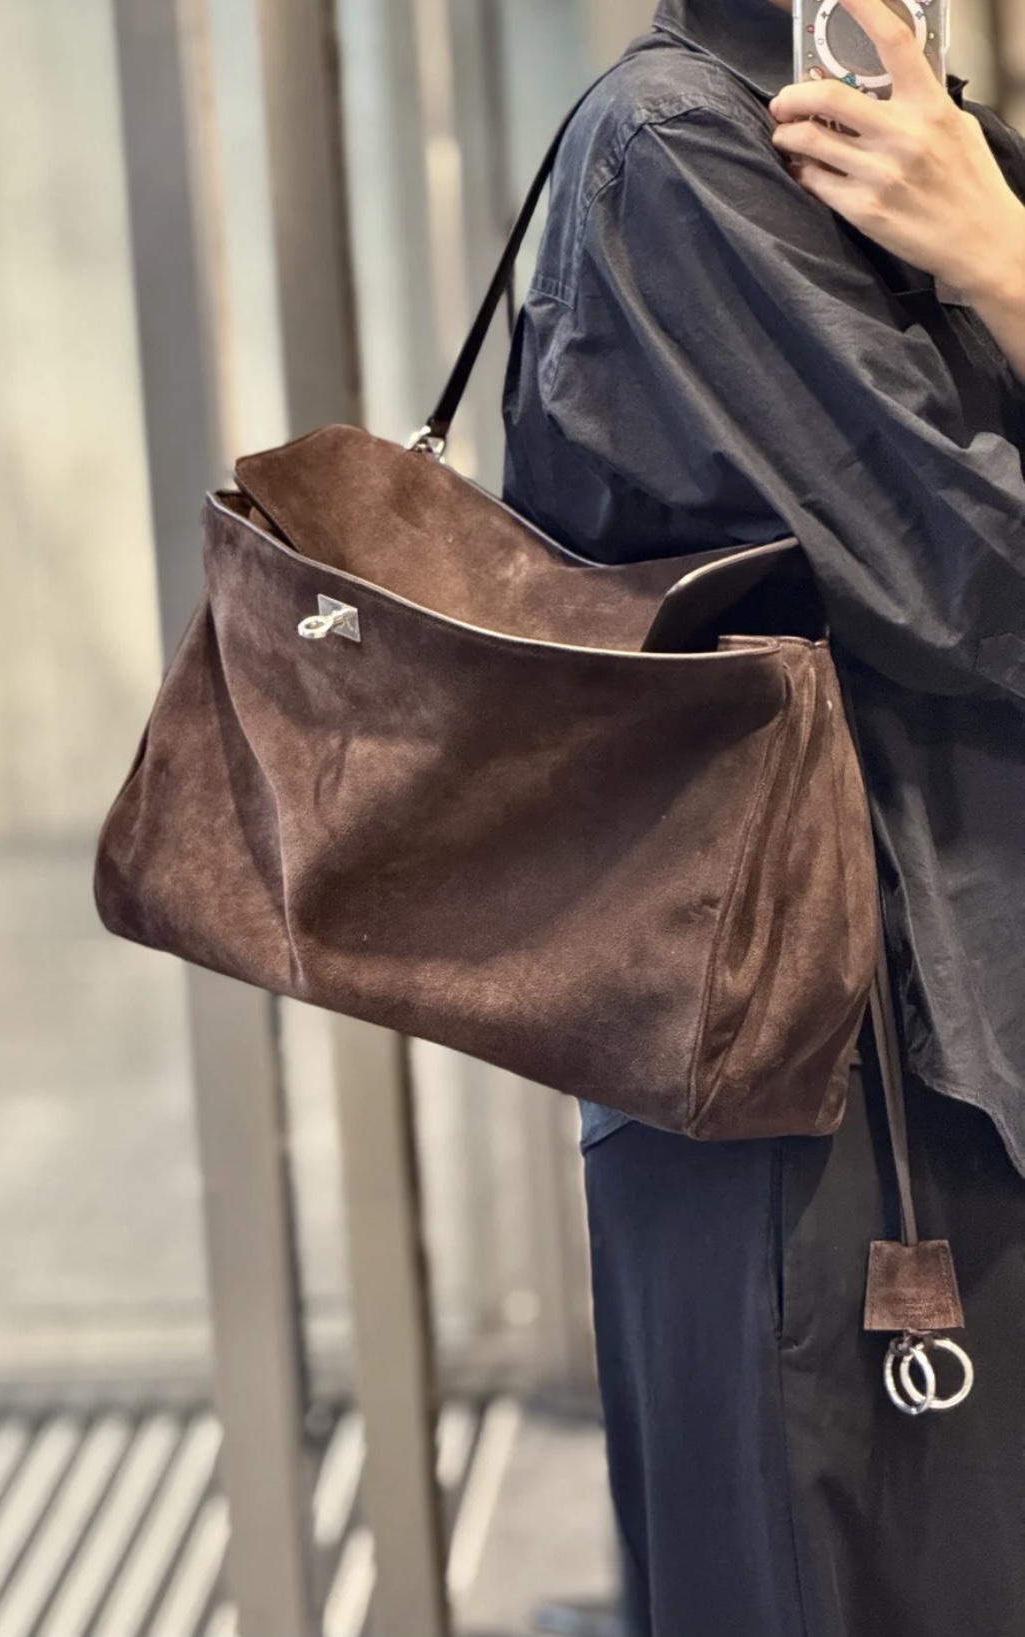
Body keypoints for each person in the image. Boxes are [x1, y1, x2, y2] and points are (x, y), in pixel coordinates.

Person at [502, 1, 1025, 1633]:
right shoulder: (687, 147)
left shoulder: (921, 141)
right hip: (846, 1089)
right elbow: (981, 579)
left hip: (929, 1061)